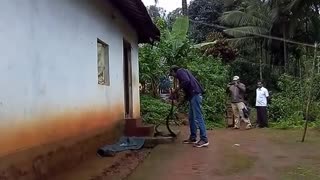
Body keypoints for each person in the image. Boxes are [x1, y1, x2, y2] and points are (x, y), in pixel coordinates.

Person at [169, 65, 209, 148]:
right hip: (192, 96)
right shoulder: (184, 72)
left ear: (174, 71)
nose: (173, 76)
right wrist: (182, 100)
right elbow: (187, 85)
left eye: (172, 74)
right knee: (191, 118)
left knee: (198, 117)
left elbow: (186, 81)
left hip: (195, 95)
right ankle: (193, 137)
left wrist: (176, 89)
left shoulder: (180, 71)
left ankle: (204, 139)